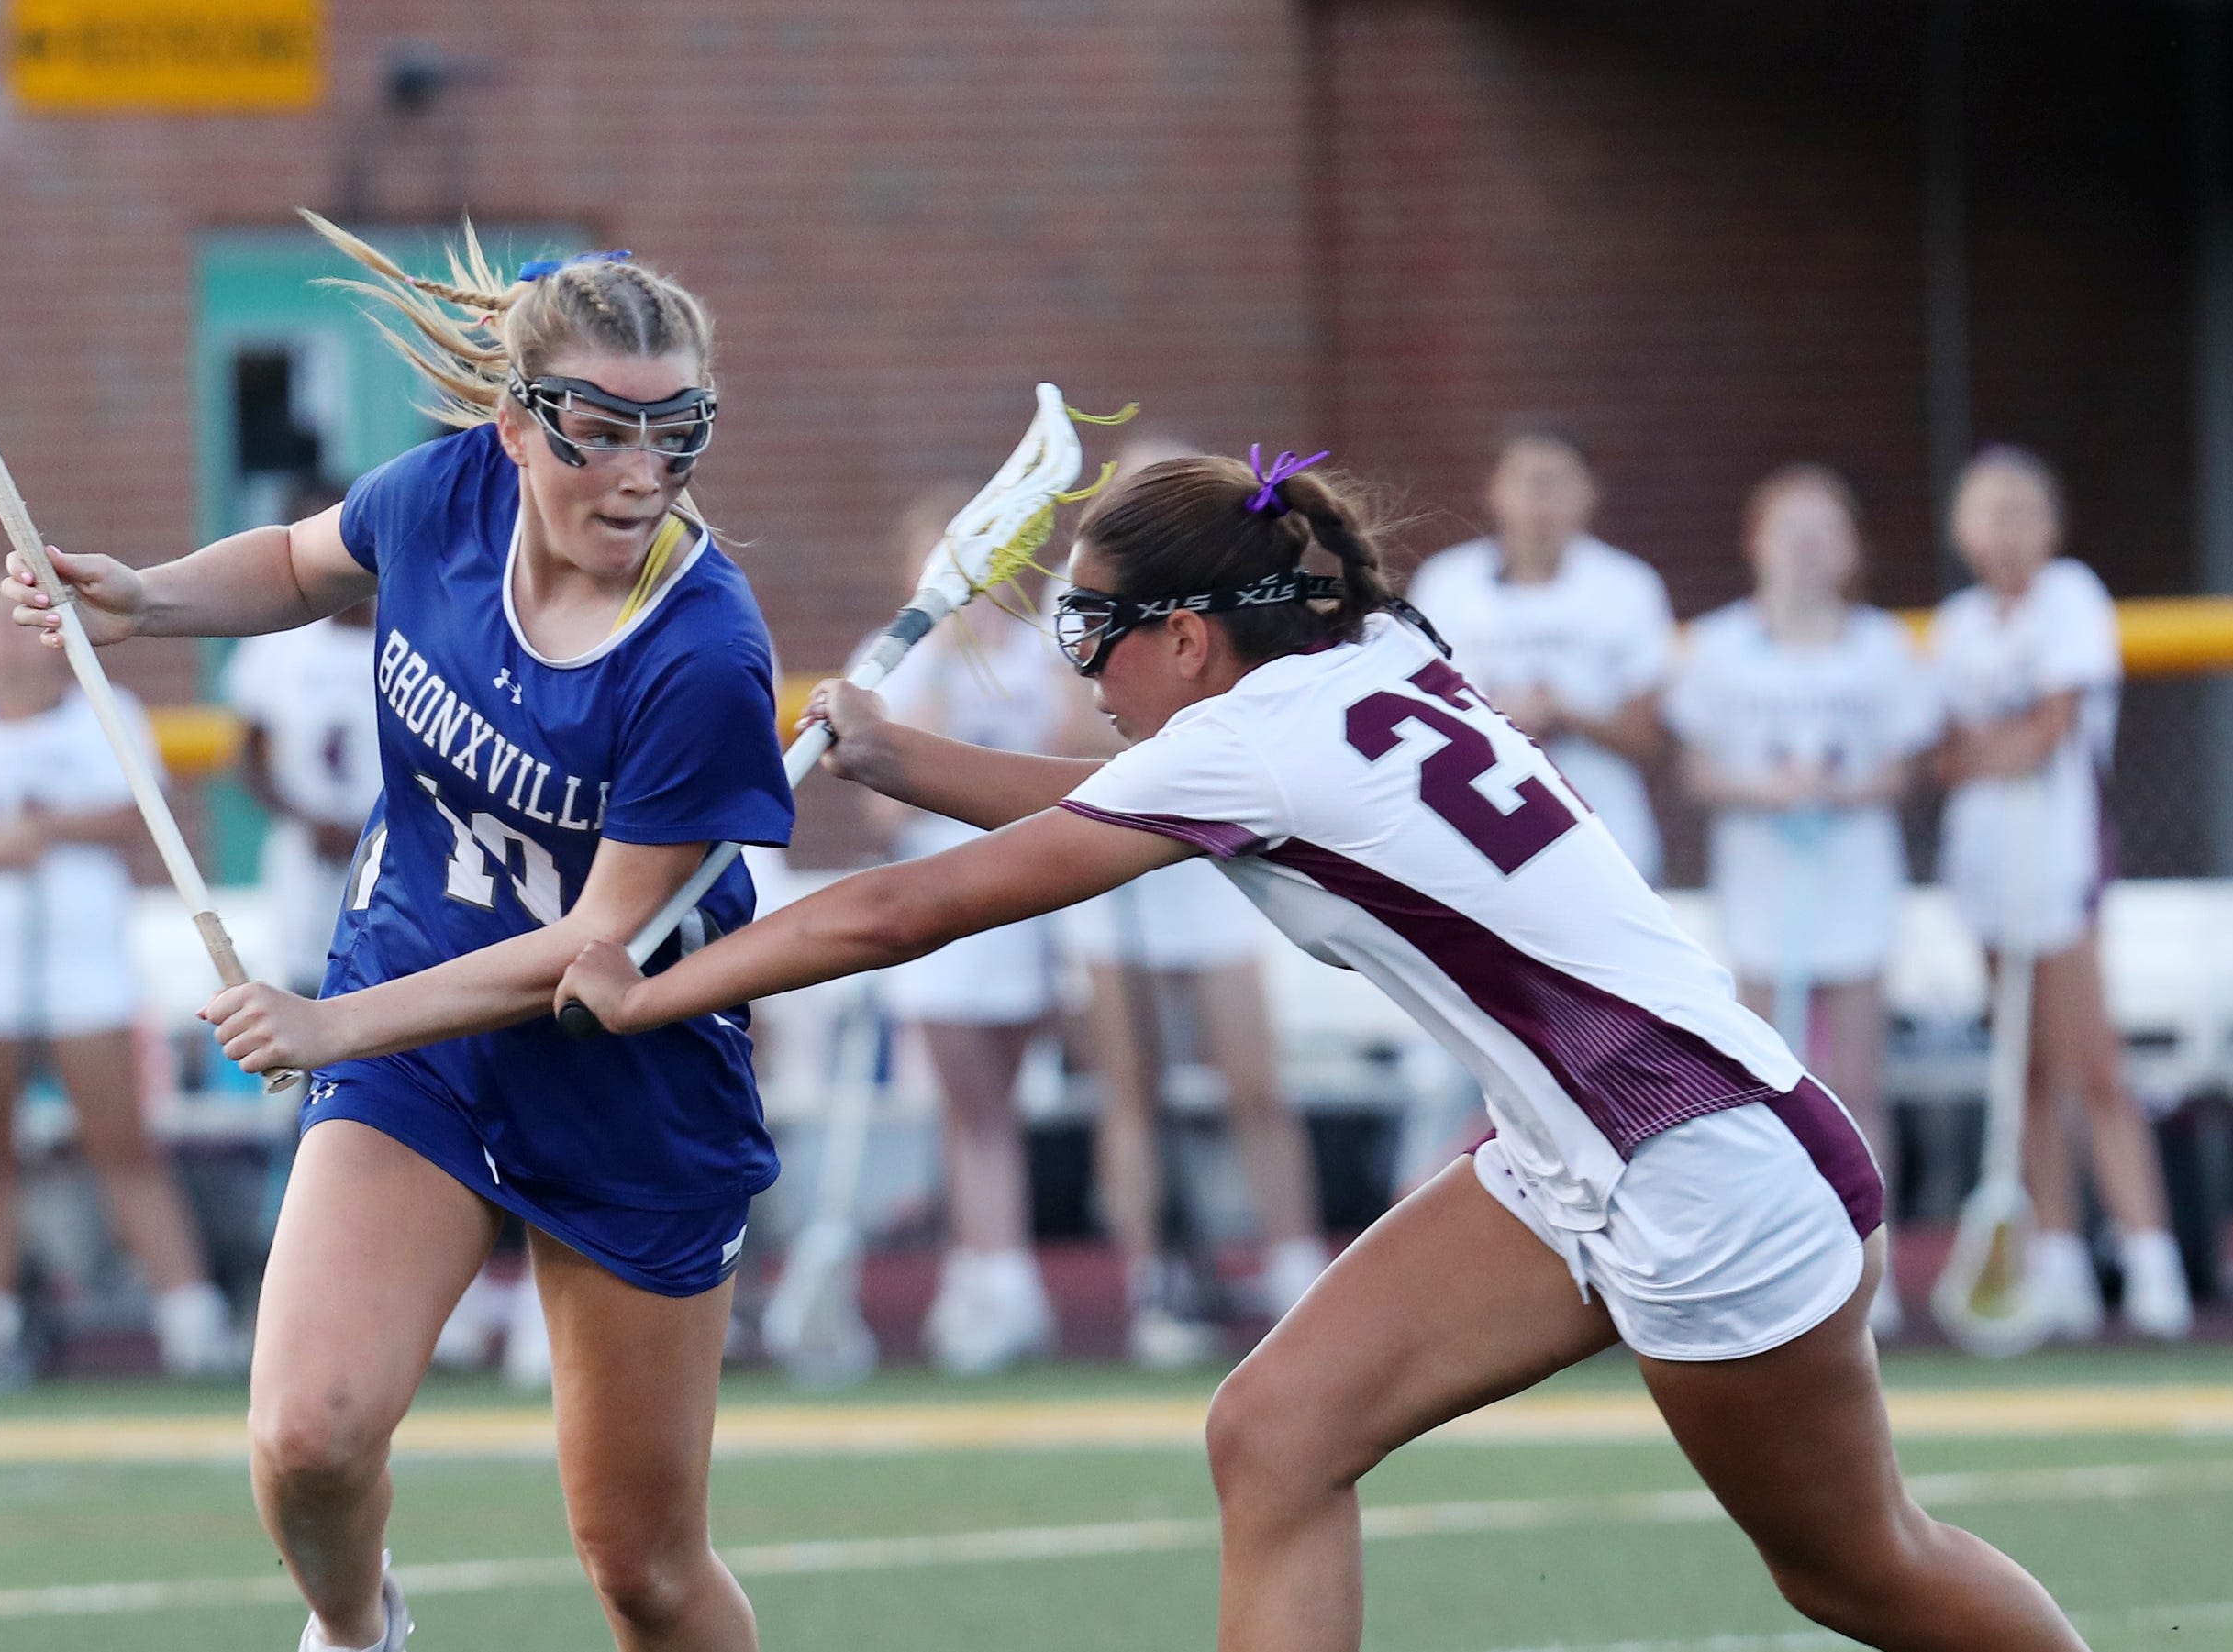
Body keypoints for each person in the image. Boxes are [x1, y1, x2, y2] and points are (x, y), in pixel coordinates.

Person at [560, 449, 2089, 1652]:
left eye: (1092, 634)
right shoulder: (1358, 661)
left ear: (1186, 637)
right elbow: (1093, 814)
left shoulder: (1249, 741)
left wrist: (648, 986)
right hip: (1592, 1150)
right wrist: (898, 754)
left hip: (1698, 1173)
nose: (1082, 670)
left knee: (1859, 1571)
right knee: (1276, 1436)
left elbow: (904, 911)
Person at [6, 225, 791, 1652]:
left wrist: (326, 1024)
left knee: (645, 1572)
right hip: (417, 1044)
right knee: (308, 1435)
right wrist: (146, 600)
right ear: (516, 423)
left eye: (674, 436)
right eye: (599, 432)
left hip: (629, 1081)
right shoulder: (445, 496)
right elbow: (308, 567)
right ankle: (361, 1632)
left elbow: (592, 948)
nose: (638, 474)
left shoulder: (705, 657)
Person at [0, 580, 246, 1393]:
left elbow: (136, 816)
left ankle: (189, 1317)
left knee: (123, 1145)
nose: (9, 646)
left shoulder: (103, 714)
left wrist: (46, 828)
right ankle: (3, 1320)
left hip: (85, 969)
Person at [1057, 439, 1328, 1368]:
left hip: (1214, 852)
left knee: (1253, 1078)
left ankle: (1294, 1263)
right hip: (1113, 852)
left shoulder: (1229, 605)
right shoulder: (1090, 598)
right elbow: (1074, 727)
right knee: (1128, 1091)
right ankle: (1154, 1281)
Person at [1665, 464, 1938, 1337]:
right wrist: (1767, 788)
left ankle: (1872, 1266)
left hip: (1852, 882)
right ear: (1757, 543)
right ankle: (1776, 1264)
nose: (1808, 549)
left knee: (1858, 1081)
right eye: (1792, 530)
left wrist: (1844, 788)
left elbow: (1902, 765)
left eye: (1826, 531)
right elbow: (1700, 769)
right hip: (1761, 890)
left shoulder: (1882, 647)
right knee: (1762, 1084)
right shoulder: (1717, 646)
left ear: (1852, 548)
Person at [1931, 445, 2192, 1342]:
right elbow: (1944, 752)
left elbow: (2046, 729)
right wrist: (1983, 749)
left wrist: (1988, 748)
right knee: (2025, 1074)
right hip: (1984, 870)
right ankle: (2058, 1258)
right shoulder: (1958, 623)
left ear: (2049, 524)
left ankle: (2150, 1255)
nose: (2002, 532)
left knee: (2094, 1068)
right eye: (1985, 513)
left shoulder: (2072, 598)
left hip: (2058, 865)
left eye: (2019, 512)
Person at [870, 484, 1068, 1375]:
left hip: (1022, 899)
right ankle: (989, 1276)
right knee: (967, 1105)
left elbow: (1071, 762)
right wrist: (944, 663)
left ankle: (995, 1273)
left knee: (999, 1103)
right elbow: (881, 812)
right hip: (930, 904)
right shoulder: (897, 661)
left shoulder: (1037, 654)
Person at [1407, 424, 1674, 882]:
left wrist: (1567, 714)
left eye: (1558, 481)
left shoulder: (1628, 586)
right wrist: (1496, 716)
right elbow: (1411, 715)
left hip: (1606, 837)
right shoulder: (1446, 584)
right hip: (1478, 840)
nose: (1541, 498)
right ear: (1495, 491)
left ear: (1590, 492)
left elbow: (1650, 739)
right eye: (1526, 480)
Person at [226, 480, 381, 996]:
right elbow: (250, 756)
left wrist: (374, 823)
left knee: (388, 981)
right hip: (307, 849)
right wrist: (308, 819)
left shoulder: (411, 629)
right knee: (306, 984)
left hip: (392, 843)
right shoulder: (279, 642)